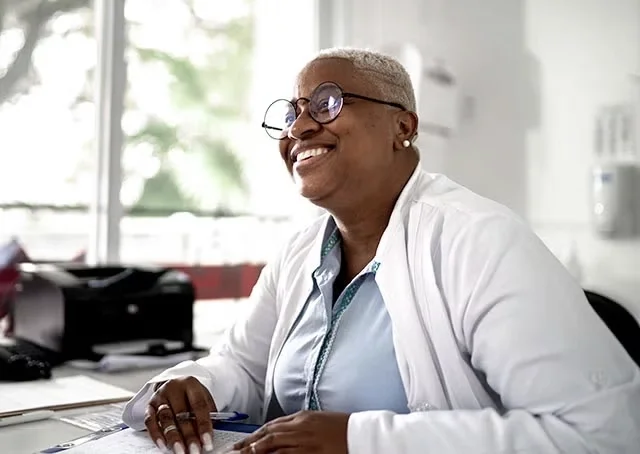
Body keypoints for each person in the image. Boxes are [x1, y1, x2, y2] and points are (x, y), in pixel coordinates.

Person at [122, 47, 640, 454]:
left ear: (403, 127)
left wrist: (358, 441)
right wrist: (193, 383)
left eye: (327, 103)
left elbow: (602, 436)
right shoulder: (300, 253)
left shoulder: (477, 240)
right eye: (292, 113)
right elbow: (243, 363)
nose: (299, 128)